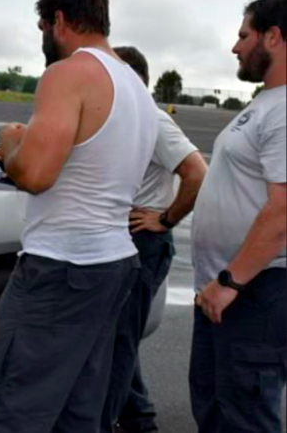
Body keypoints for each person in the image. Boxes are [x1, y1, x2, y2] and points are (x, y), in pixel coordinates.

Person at [0, 0, 158, 433]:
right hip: (113, 263)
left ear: (57, 20)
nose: (43, 40)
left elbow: (35, 174)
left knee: (9, 406)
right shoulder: (135, 87)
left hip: (61, 267)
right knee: (78, 410)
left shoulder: (69, 73)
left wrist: (12, 142)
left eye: (42, 29)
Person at [190, 0, 286, 433]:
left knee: (243, 418)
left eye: (243, 35)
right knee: (217, 410)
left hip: (253, 292)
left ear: (274, 36)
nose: (235, 47)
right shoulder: (266, 103)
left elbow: (283, 212)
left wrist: (230, 282)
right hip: (226, 292)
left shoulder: (284, 109)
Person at [101, 46, 208, 433]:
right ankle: (138, 418)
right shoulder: (126, 118)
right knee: (120, 336)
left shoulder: (154, 120)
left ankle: (107, 422)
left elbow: (198, 173)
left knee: (118, 341)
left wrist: (165, 218)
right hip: (127, 237)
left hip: (145, 242)